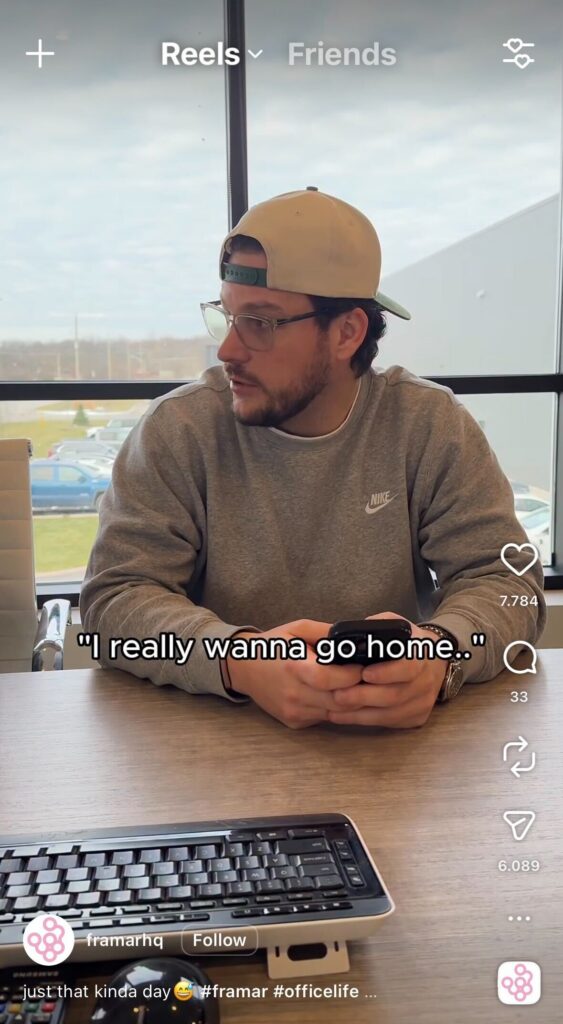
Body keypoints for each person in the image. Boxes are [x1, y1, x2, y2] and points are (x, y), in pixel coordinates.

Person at [80, 187, 546, 730]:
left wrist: (443, 654)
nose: (228, 350)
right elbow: (110, 607)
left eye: (261, 322)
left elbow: (509, 585)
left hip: (394, 754)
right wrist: (240, 660)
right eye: (226, 317)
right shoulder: (179, 430)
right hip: (214, 749)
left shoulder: (427, 425)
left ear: (347, 331)